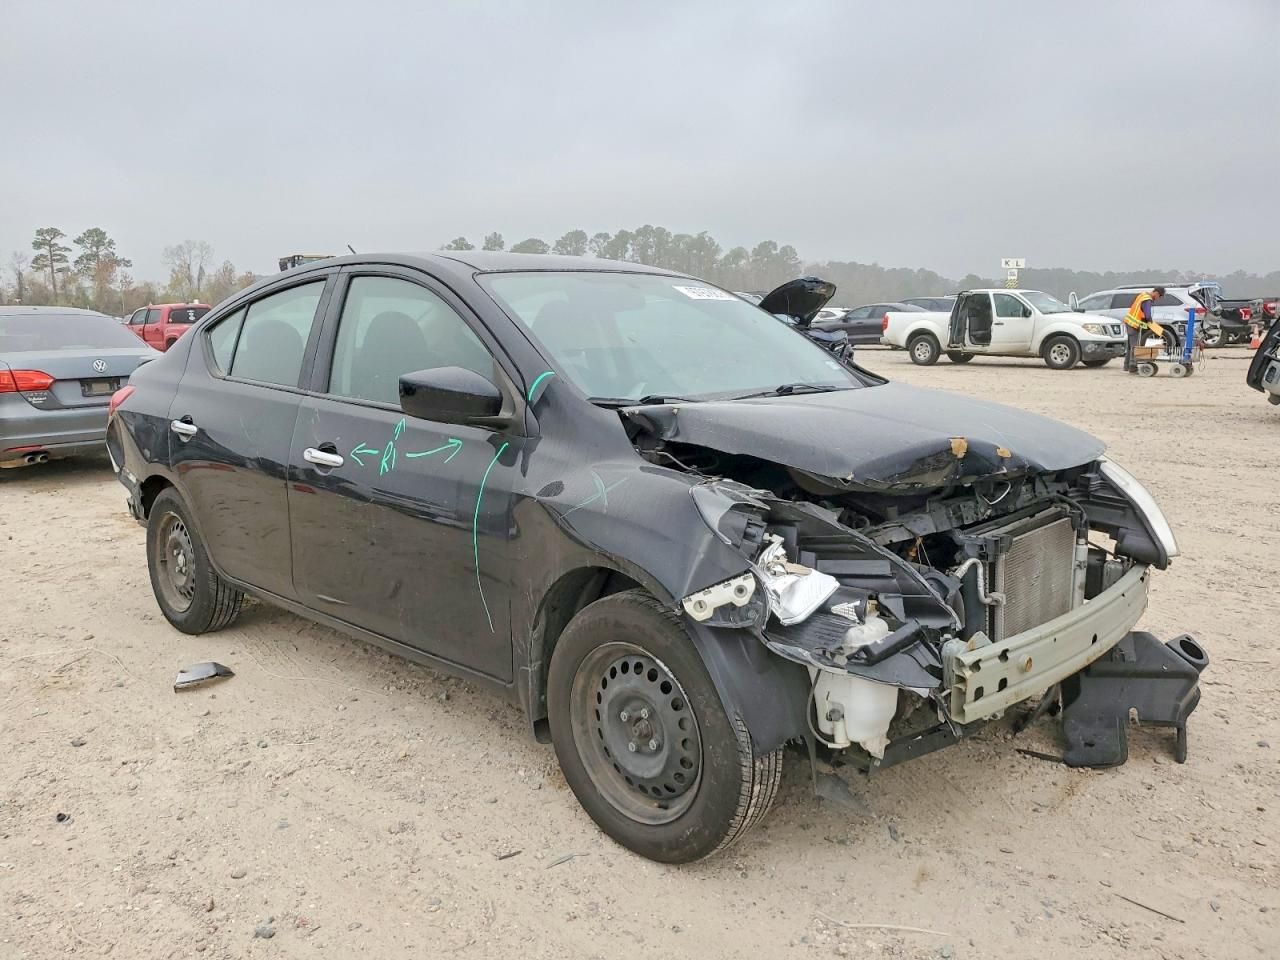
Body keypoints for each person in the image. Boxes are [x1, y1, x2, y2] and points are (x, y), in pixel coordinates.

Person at [1123, 286, 1164, 373]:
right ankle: (1133, 367)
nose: (1158, 299)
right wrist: (1150, 321)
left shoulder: (1143, 295)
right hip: (1133, 324)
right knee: (1135, 346)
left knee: (1130, 346)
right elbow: (1147, 314)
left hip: (1129, 322)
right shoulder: (1147, 300)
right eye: (1159, 297)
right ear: (1156, 293)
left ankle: (1126, 365)